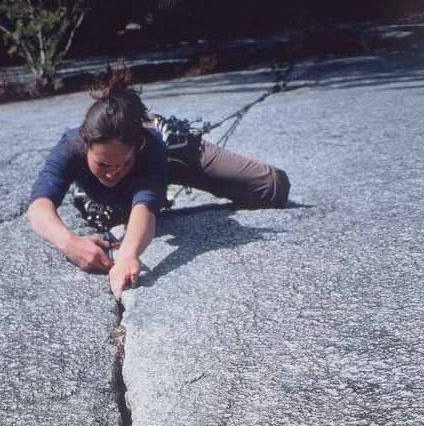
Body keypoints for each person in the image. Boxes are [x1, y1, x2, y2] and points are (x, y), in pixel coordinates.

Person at [27, 68, 290, 299]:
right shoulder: (70, 146)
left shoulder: (149, 148)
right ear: (85, 146)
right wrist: (69, 243)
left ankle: (166, 141)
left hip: (173, 154)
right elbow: (39, 206)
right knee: (116, 209)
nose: (112, 173)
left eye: (122, 164)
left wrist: (129, 255)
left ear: (137, 147)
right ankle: (103, 197)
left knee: (271, 187)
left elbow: (146, 207)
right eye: (103, 164)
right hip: (123, 180)